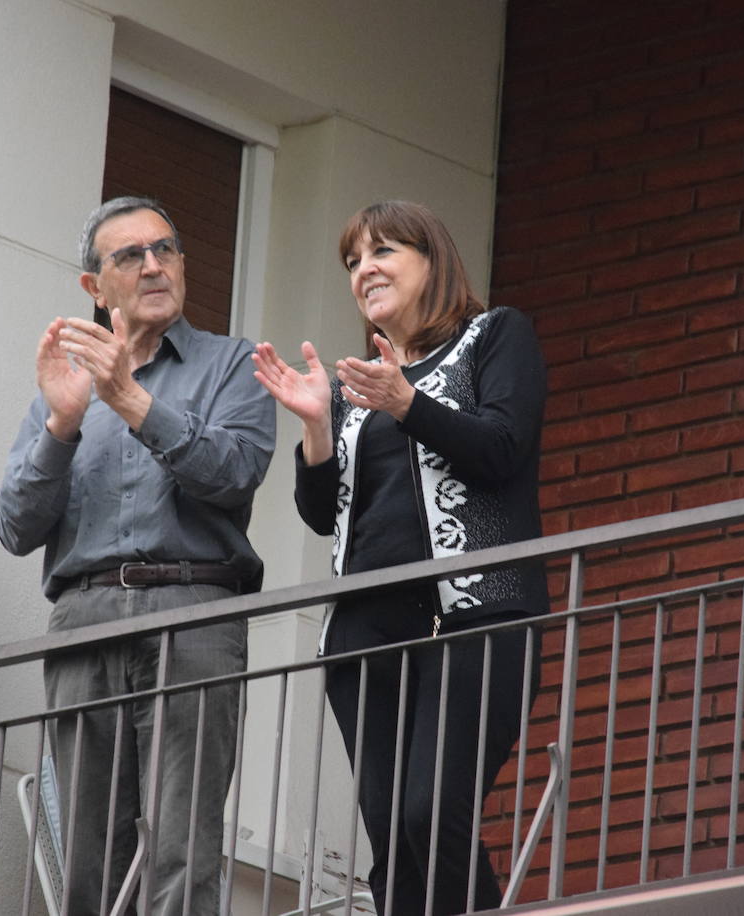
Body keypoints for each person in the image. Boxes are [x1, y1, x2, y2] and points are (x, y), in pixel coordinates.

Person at [252, 200, 548, 914]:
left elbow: (504, 447)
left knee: (430, 814)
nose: (364, 270)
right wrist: (320, 429)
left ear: (432, 260)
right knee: (394, 839)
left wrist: (408, 403)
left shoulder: (494, 336)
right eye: (353, 260)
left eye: (383, 251)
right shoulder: (361, 384)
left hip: (472, 617)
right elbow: (325, 515)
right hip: (365, 634)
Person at [0, 196, 275, 915]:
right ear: (94, 286)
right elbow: (16, 527)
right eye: (131, 256)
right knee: (86, 854)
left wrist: (129, 400)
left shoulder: (233, 364)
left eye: (166, 250)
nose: (155, 266)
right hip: (84, 620)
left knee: (183, 837)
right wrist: (61, 422)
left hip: (194, 608)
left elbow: (235, 471)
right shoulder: (66, 383)